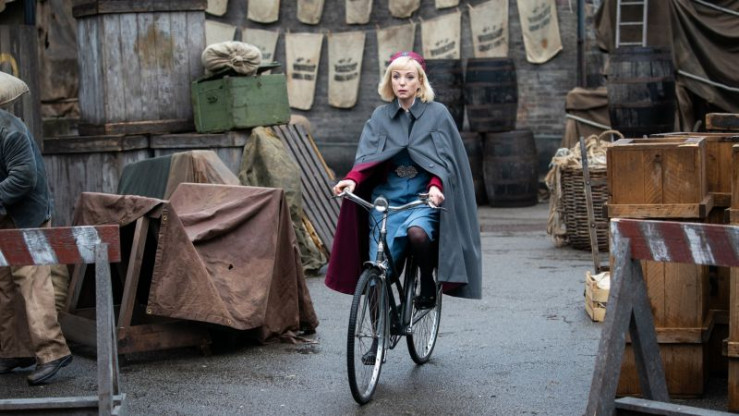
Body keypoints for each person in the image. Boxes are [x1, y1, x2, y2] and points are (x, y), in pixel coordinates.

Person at [325, 51, 482, 305]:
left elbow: (444, 161)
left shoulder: (438, 114)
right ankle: (379, 326)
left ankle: (427, 282)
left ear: (420, 82)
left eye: (409, 77)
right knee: (377, 271)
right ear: (390, 80)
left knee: (418, 234)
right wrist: (352, 180)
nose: (402, 82)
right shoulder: (380, 116)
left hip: (423, 199)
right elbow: (368, 156)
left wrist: (436, 187)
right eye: (396, 76)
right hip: (387, 199)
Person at [0, 72, 73, 385]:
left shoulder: (11, 131)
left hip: (27, 214)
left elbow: (24, 178)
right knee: (4, 284)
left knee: (31, 280)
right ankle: (14, 350)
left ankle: (53, 351)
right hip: (5, 213)